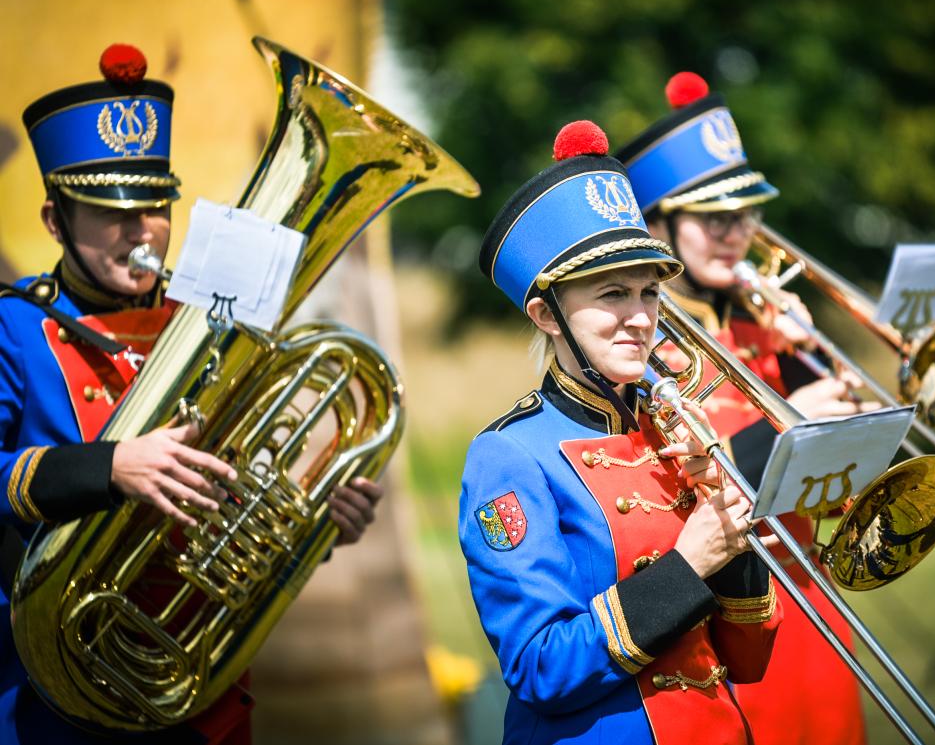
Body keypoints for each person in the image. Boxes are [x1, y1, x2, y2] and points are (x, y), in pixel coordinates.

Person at [0, 44, 383, 744]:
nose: (139, 230)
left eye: (154, 205)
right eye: (110, 209)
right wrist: (109, 467)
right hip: (51, 696)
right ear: (56, 221)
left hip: (196, 688)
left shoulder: (208, 321)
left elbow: (231, 497)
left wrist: (315, 521)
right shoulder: (14, 326)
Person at [461, 120, 782, 745]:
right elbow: (539, 667)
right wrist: (691, 563)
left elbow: (749, 660)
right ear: (545, 315)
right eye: (612, 294)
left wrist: (735, 534)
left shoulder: (671, 429)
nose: (640, 318)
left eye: (647, 292)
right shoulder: (508, 455)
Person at [616, 72, 870, 745]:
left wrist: (805, 355)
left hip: (818, 609)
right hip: (733, 631)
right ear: (657, 224)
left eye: (745, 212)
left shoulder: (767, 326)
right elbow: (672, 497)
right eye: (712, 216)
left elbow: (847, 475)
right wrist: (789, 417)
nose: (736, 232)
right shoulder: (638, 350)